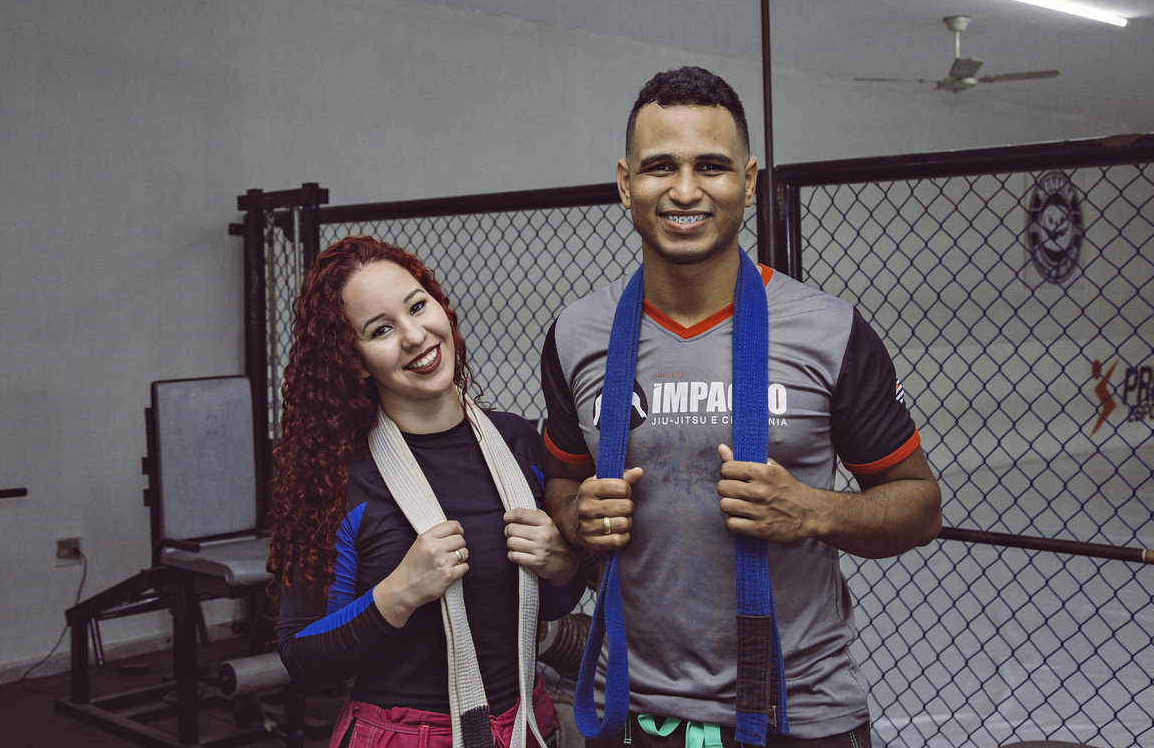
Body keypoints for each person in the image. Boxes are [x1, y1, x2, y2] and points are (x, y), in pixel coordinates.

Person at [540, 67, 942, 748]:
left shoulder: (830, 331)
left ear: (749, 182)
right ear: (625, 183)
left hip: (799, 714)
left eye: (712, 166)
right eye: (660, 166)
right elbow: (562, 483)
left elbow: (920, 507)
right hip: (626, 711)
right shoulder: (576, 333)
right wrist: (576, 515)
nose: (685, 190)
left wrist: (813, 511)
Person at [270, 236, 583, 748]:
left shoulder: (517, 443)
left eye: (417, 306)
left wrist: (563, 566)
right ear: (353, 360)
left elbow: (547, 606)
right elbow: (304, 661)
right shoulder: (337, 480)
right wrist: (400, 592)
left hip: (527, 726)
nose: (415, 335)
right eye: (381, 330)